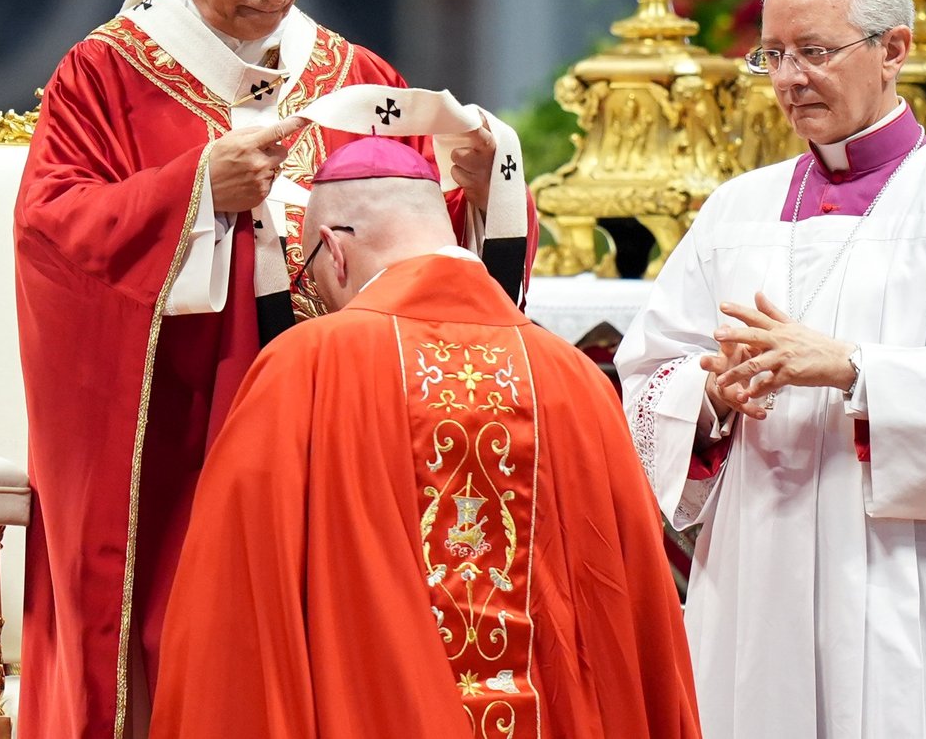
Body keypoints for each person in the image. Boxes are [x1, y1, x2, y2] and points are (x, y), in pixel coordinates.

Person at [13, 0, 528, 739]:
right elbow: (52, 242)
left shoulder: (356, 74)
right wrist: (196, 194)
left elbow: (426, 264)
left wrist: (476, 188)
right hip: (186, 449)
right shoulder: (103, 79)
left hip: (346, 437)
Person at [616, 0, 926, 739]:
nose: (789, 79)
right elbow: (649, 376)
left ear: (894, 49)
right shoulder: (735, 212)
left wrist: (855, 371)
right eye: (774, 55)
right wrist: (710, 396)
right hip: (762, 577)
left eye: (815, 52)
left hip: (916, 586)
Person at [148, 137, 702, 739]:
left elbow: (236, 607)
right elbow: (636, 614)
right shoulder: (573, 378)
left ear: (333, 251)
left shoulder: (303, 367)